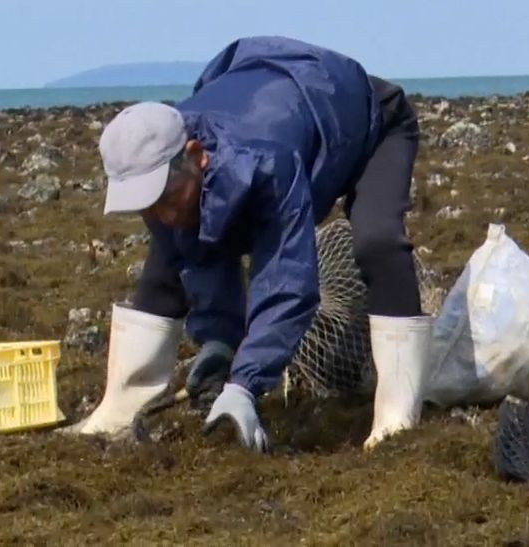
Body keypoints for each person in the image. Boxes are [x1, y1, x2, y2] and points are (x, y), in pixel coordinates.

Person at [73, 35, 429, 451]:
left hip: (370, 124)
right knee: (165, 262)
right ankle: (119, 411)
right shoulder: (159, 166)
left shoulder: (265, 163)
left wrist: (245, 384)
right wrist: (219, 341)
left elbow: (288, 283)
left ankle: (396, 417)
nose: (160, 214)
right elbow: (196, 254)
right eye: (145, 204)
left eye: (166, 198)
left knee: (378, 240)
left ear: (195, 154)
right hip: (283, 109)